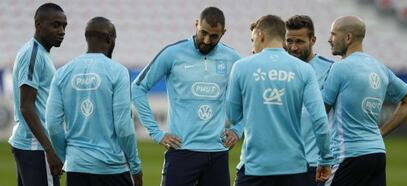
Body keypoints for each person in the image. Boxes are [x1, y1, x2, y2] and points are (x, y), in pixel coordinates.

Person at [131, 6, 241, 186]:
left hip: (217, 153)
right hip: (181, 152)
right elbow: (137, 88)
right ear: (196, 24)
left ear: (223, 33)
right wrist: (157, 134)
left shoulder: (232, 58)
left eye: (214, 36)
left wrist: (238, 129)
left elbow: (250, 96)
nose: (206, 40)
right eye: (202, 32)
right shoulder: (173, 53)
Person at [226, 14, 333, 186]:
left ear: (260, 35)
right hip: (295, 168)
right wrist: (325, 159)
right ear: (283, 37)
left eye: (253, 39)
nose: (253, 44)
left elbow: (232, 115)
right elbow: (320, 120)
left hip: (255, 167)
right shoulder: (304, 69)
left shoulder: (241, 67)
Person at [46, 17, 143, 186]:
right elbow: (123, 127)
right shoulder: (118, 72)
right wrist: (135, 167)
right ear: (109, 38)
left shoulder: (62, 73)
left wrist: (66, 157)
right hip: (112, 169)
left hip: (77, 168)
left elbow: (53, 125)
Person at [322, 16, 407, 186]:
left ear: (348, 37)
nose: (329, 39)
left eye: (333, 34)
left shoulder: (340, 68)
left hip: (348, 155)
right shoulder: (379, 67)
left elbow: (321, 111)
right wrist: (382, 132)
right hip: (377, 154)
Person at [9, 3, 66, 186]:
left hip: (34, 146)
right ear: (38, 24)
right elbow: (26, 105)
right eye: (55, 25)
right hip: (36, 147)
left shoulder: (41, 54)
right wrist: (49, 150)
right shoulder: (32, 54)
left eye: (64, 26)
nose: (62, 31)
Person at [285, 15, 334, 186]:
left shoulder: (330, 70)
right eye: (289, 41)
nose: (293, 47)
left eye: (299, 41)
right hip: (283, 164)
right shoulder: (279, 70)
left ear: (313, 40)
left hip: (314, 163)